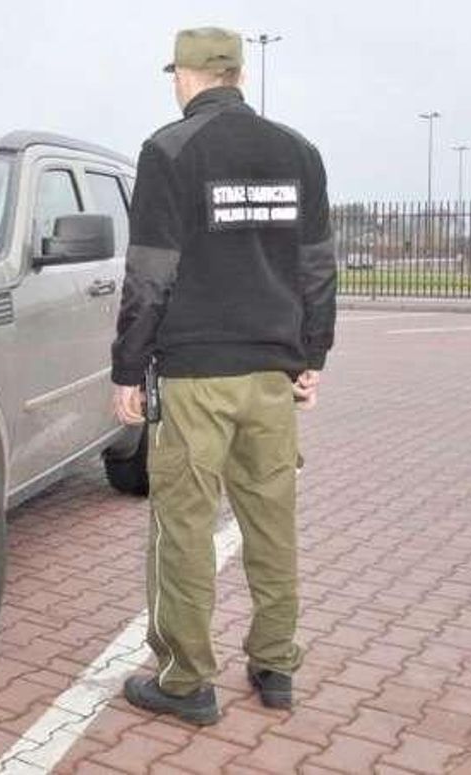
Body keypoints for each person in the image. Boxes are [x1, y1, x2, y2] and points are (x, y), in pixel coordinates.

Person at [112, 26, 337, 725]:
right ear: (236, 73)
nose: (173, 85)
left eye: (174, 73)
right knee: (272, 521)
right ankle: (274, 664)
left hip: (195, 376)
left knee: (183, 525)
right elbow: (318, 267)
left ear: (189, 74)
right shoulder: (299, 152)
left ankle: (185, 681)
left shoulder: (168, 150)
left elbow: (149, 274)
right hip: (271, 373)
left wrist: (126, 367)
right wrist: (313, 354)